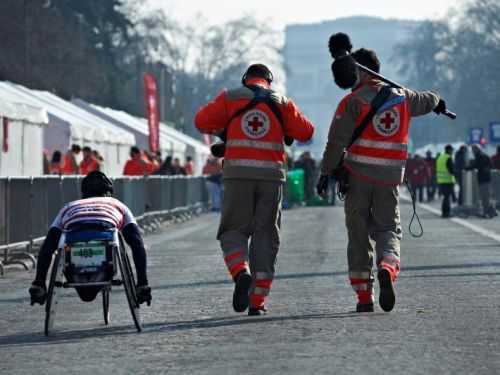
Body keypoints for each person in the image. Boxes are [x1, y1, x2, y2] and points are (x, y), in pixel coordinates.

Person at [317, 48, 445, 313]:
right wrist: (438, 101)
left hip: (357, 178)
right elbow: (428, 98)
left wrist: (326, 172)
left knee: (358, 235)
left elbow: (336, 142)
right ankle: (388, 265)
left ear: (360, 71)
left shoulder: (351, 102)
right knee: (388, 229)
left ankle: (365, 297)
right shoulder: (404, 98)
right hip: (389, 180)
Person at [195, 63, 314, 316]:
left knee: (232, 230)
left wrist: (225, 126)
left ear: (246, 79)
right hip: (271, 178)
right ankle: (257, 302)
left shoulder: (230, 97)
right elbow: (306, 132)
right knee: (266, 236)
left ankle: (241, 272)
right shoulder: (282, 102)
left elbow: (201, 121)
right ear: (268, 81)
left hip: (237, 175)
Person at [29, 171, 151, 306]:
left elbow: (50, 243)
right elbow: (136, 241)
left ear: (83, 192)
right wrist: (142, 282)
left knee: (50, 243)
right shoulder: (117, 204)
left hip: (74, 236)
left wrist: (40, 279)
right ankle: (142, 285)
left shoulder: (70, 206)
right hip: (104, 232)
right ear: (109, 191)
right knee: (136, 242)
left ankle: (39, 283)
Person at [466, 145, 497, 218]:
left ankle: (487, 213)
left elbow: (476, 165)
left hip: (483, 179)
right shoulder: (484, 156)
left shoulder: (480, 157)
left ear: (477, 150)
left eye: (474, 150)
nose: (473, 152)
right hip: (486, 178)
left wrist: (466, 168)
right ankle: (492, 211)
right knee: (486, 196)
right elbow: (490, 165)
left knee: (485, 197)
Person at [436, 144, 456, 218]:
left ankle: (445, 212)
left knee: (445, 197)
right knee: (447, 198)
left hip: (441, 180)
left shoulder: (440, 157)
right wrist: (456, 173)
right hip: (447, 180)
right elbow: (451, 170)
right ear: (449, 150)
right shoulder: (448, 158)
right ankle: (446, 213)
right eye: (452, 150)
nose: (452, 152)